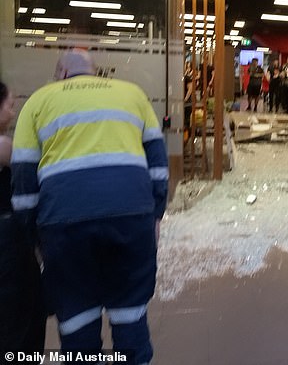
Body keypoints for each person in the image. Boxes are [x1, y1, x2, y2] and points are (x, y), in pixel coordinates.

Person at [11, 49, 168, 364]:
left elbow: (24, 181)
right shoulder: (132, 94)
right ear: (94, 72)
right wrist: (154, 215)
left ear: (62, 74)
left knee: (77, 319)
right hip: (130, 217)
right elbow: (158, 167)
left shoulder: (38, 102)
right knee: (130, 315)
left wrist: (34, 238)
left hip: (63, 224)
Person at [0, 81, 47, 354]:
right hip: (10, 243)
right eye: (10, 105)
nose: (14, 111)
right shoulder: (5, 146)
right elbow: (33, 167)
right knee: (20, 323)